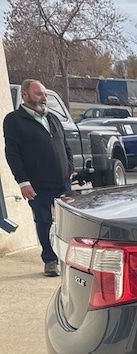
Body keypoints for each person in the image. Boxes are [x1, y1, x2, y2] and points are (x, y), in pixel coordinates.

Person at [3, 79, 74, 277]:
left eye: (44, 94)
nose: (44, 98)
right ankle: (50, 261)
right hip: (37, 186)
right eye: (38, 94)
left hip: (63, 181)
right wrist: (23, 182)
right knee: (44, 223)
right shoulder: (14, 120)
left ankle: (68, 258)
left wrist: (69, 168)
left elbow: (66, 146)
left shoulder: (53, 119)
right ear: (25, 95)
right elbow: (12, 153)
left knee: (68, 223)